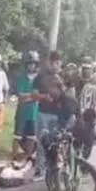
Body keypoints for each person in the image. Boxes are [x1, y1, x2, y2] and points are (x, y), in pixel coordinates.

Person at [32, 51, 65, 179]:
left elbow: (68, 95)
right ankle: (40, 168)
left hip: (59, 115)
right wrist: (44, 96)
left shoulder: (62, 76)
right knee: (42, 141)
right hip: (43, 113)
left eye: (57, 62)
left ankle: (55, 168)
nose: (55, 65)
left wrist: (61, 83)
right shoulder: (40, 77)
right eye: (53, 62)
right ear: (48, 62)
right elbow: (34, 95)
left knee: (57, 142)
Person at [12, 50, 40, 162]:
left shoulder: (39, 78)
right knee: (17, 136)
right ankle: (14, 157)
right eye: (29, 63)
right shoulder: (21, 77)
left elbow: (39, 95)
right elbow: (20, 95)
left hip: (34, 113)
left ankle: (27, 158)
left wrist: (30, 97)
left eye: (33, 63)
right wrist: (32, 96)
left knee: (31, 137)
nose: (31, 65)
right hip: (22, 112)